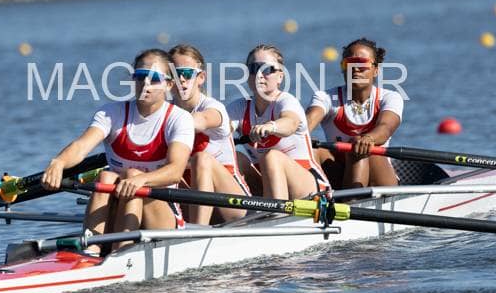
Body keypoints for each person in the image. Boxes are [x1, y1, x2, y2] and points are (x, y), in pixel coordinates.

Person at [41, 49, 194, 255]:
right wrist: (58, 162)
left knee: (132, 175)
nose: (145, 84)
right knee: (106, 177)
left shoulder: (179, 119)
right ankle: (91, 250)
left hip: (162, 217)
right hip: (119, 208)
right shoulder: (111, 113)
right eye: (140, 76)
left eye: (154, 78)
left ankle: (121, 252)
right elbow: (81, 146)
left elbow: (175, 171)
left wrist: (140, 180)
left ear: (169, 85)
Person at [227, 44, 329, 200]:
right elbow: (221, 129)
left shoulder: (286, 101)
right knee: (235, 158)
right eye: (254, 68)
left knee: (272, 157)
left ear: (280, 76)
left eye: (266, 69)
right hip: (267, 182)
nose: (259, 74)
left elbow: (291, 123)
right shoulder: (238, 107)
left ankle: (273, 212)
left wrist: (271, 126)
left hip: (310, 187)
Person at [306, 37, 403, 189]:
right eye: (349, 63)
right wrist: (299, 135)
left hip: (379, 177)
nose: (355, 69)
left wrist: (369, 138)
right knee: (311, 148)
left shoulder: (390, 97)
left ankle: (352, 199)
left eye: (361, 64)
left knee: (359, 145)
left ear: (376, 70)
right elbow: (306, 124)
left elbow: (385, 128)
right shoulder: (325, 97)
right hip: (339, 175)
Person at [169, 44, 249, 225]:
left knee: (201, 159)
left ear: (201, 78)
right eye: (174, 73)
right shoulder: (165, 111)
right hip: (190, 198)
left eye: (187, 73)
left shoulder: (212, 108)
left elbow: (199, 120)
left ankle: (198, 231)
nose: (181, 79)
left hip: (232, 203)